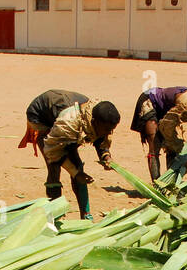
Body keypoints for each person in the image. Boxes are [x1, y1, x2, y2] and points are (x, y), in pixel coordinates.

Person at [24, 90, 119, 221]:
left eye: (111, 129)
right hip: (40, 116)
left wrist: (106, 156)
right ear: (94, 122)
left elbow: (100, 138)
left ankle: (85, 215)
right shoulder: (69, 123)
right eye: (108, 129)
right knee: (54, 167)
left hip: (63, 112)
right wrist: (75, 172)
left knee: (77, 164)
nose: (110, 132)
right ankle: (55, 216)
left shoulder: (102, 118)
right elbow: (51, 150)